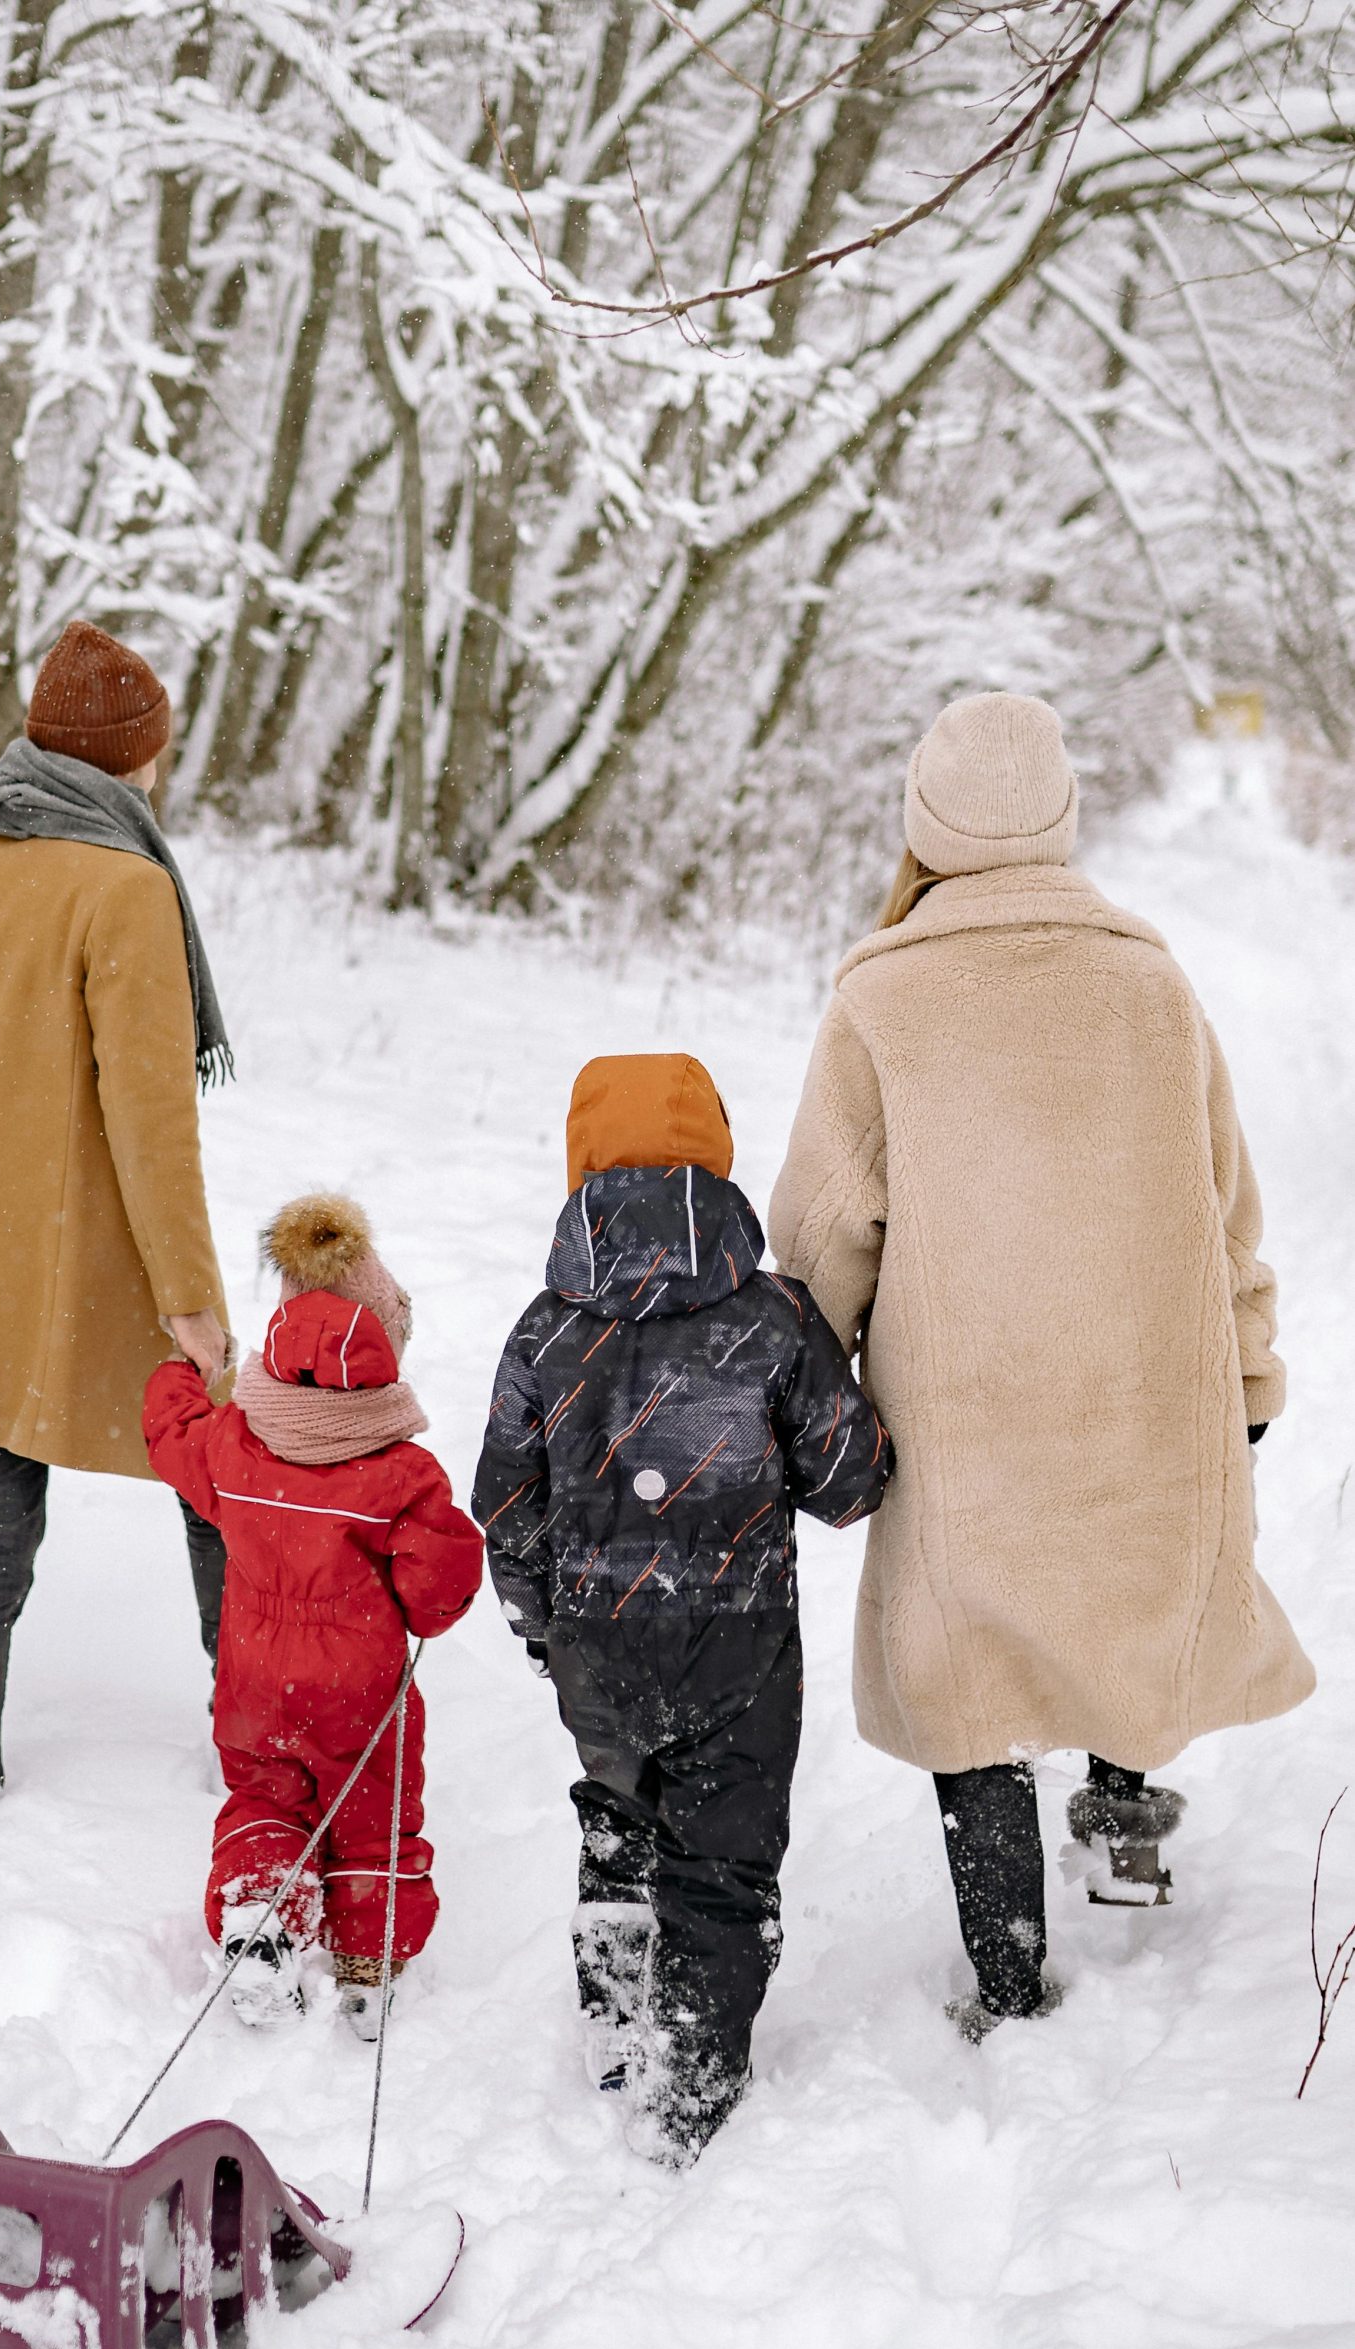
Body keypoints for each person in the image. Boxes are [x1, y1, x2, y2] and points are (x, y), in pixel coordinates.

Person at [768, 690, 1315, 2040]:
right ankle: (1123, 1816)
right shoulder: (1146, 983)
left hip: (960, 1416)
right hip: (1139, 1389)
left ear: (924, 820)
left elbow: (824, 1227)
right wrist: (1241, 1370)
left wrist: (799, 1383)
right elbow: (1222, 1204)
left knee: (969, 1680)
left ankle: (1007, 1977)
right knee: (1122, 1599)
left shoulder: (881, 997)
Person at [474, 1055, 892, 2166]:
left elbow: (506, 1505)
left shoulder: (547, 1332)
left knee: (619, 1821)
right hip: (739, 1648)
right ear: (716, 1154)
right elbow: (849, 1480)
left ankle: (615, 2023)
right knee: (721, 1862)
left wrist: (537, 1623)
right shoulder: (771, 1320)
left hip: (597, 1649)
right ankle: (692, 2077)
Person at [0, 619, 236, 1858]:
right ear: (130, 760)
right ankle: (259, 1757)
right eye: (157, 752)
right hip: (102, 1272)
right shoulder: (127, 887)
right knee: (216, 1490)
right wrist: (193, 1304)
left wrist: (0, 1161)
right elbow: (154, 1126)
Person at [143, 1195, 484, 2040]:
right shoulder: (399, 1474)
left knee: (265, 1796)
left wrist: (180, 1372)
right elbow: (443, 1582)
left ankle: (260, 1916)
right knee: (372, 1812)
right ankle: (368, 1968)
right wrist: (416, 1611)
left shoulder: (233, 1445)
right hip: (359, 1688)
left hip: (254, 1677)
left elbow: (169, 1432)